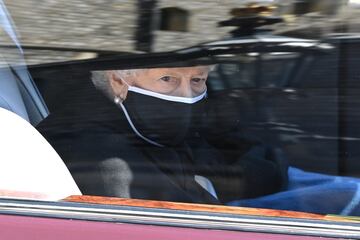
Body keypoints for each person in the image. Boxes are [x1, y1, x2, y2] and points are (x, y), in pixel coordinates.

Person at [36, 65, 288, 204]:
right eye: (168, 78)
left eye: (198, 80)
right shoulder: (97, 155)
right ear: (117, 81)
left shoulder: (147, 125)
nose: (187, 95)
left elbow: (248, 164)